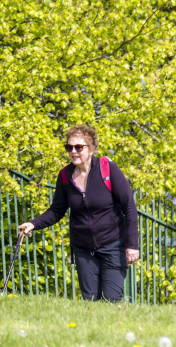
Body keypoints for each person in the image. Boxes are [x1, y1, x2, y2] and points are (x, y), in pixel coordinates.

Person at [18, 124, 139, 302]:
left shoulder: (108, 169)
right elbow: (57, 210)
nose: (73, 151)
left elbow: (129, 206)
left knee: (111, 300)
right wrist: (33, 224)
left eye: (78, 147)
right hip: (83, 248)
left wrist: (132, 246)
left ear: (91, 149)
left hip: (113, 244)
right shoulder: (65, 176)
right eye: (69, 147)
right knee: (90, 301)